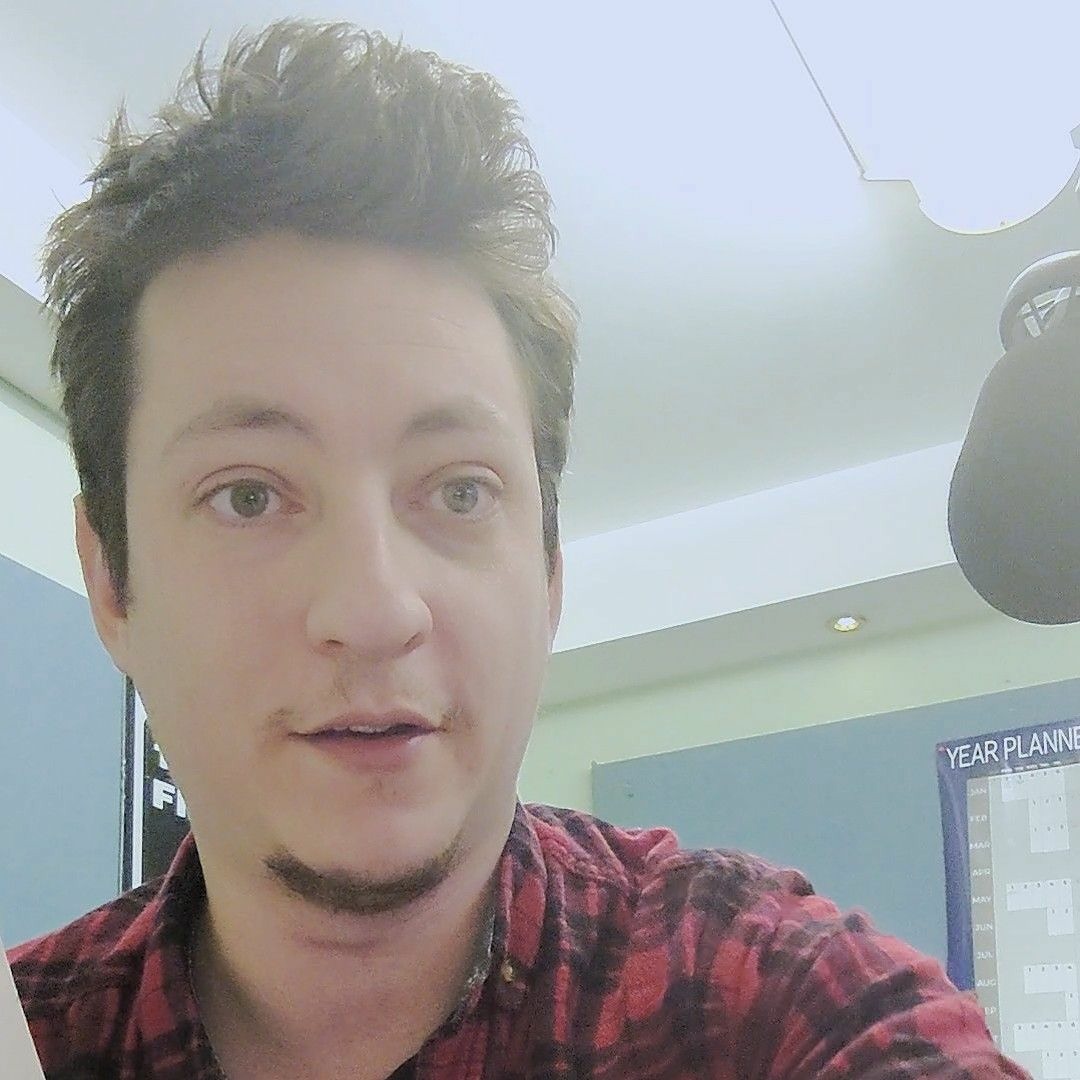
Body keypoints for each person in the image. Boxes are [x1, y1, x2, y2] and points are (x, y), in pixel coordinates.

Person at [9, 19, 1027, 1079]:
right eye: (249, 496)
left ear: (548, 573)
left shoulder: (760, 995)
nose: (374, 610)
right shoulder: (33, 1034)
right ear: (110, 579)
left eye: (459, 490)